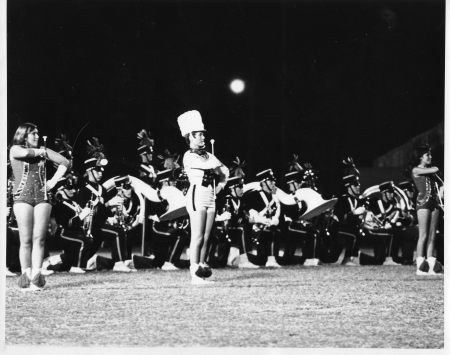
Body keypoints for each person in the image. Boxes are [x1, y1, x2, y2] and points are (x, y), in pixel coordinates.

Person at [9, 123, 70, 291]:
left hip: (42, 197)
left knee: (40, 238)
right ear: (23, 135)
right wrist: (43, 152)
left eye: (37, 133)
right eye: (33, 134)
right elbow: (25, 153)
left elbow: (65, 162)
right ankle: (25, 275)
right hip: (22, 197)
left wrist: (53, 182)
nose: (37, 136)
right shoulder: (15, 149)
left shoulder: (44, 150)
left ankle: (37, 275)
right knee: (26, 239)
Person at [178, 110, 229, 284]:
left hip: (210, 195)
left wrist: (221, 186)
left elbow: (225, 171)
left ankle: (201, 267)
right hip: (197, 194)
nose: (202, 138)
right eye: (198, 135)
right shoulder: (189, 155)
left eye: (202, 135)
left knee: (207, 236)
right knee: (197, 236)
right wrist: (216, 166)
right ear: (190, 136)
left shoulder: (209, 155)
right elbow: (208, 166)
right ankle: (194, 272)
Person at [44, 173, 94, 273]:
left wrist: (87, 216)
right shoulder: (58, 204)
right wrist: (81, 215)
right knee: (83, 241)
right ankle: (77, 266)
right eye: (70, 188)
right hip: (62, 233)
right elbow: (67, 223)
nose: (74, 191)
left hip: (73, 233)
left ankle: (62, 260)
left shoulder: (73, 202)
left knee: (87, 240)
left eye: (74, 188)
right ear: (61, 190)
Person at [411, 144, 444, 275]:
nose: (430, 157)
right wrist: (435, 169)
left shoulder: (431, 171)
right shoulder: (416, 170)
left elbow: (440, 183)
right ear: (421, 157)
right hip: (423, 203)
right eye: (427, 155)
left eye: (430, 155)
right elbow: (435, 169)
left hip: (434, 203)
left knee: (432, 235)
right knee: (423, 235)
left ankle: (431, 264)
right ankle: (420, 265)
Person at [243, 169, 282, 268]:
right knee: (271, 230)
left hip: (267, 230)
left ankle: (271, 258)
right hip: (255, 232)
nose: (274, 183)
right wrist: (265, 221)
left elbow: (277, 213)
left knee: (274, 229)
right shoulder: (253, 195)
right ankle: (270, 260)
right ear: (263, 182)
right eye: (271, 181)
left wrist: (275, 220)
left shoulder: (275, 196)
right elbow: (251, 216)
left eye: (273, 181)